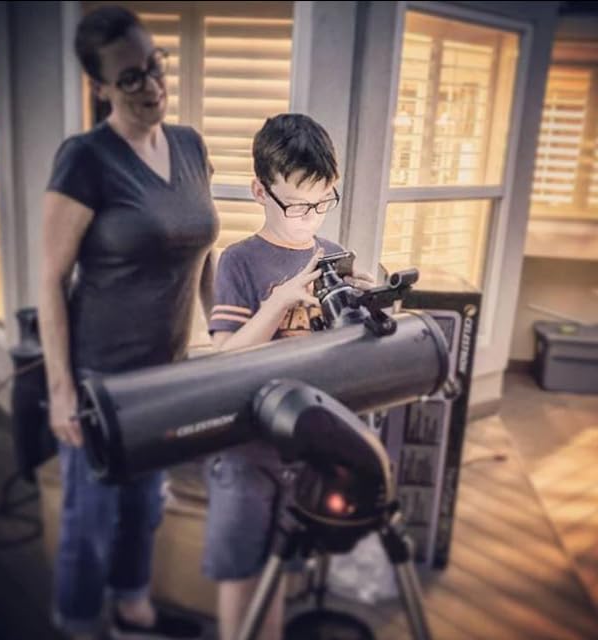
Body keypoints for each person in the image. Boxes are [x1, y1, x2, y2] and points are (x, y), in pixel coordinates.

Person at [38, 6, 218, 640]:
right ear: (101, 87)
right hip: (100, 378)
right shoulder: (85, 159)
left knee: (145, 505)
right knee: (90, 519)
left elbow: (202, 251)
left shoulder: (191, 146)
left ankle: (133, 612)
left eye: (154, 66)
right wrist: (62, 389)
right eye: (131, 77)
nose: (151, 85)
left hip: (166, 372)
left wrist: (227, 332)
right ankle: (79, 623)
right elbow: (51, 281)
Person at [202, 113, 374, 640]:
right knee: (240, 570)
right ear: (261, 190)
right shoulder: (240, 262)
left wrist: (366, 309)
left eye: (323, 202)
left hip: (304, 446)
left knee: (279, 568)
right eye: (298, 205)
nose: (310, 218)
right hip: (246, 447)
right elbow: (225, 356)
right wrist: (278, 303)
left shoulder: (334, 257)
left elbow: (344, 357)